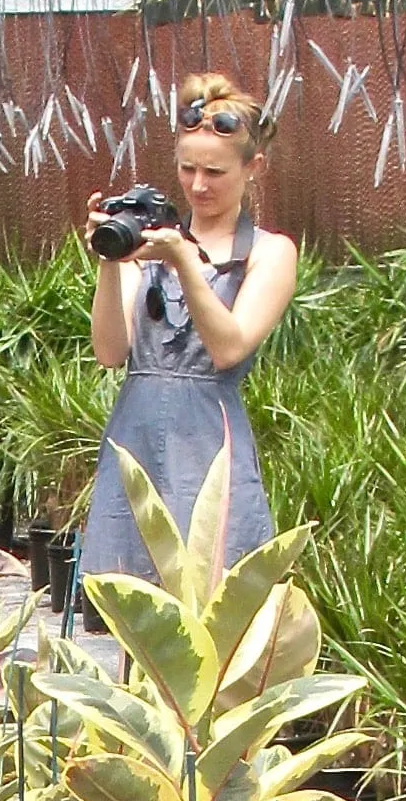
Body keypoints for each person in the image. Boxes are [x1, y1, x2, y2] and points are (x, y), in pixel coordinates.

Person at [81, 71, 299, 583]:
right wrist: (110, 261)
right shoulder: (149, 244)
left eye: (215, 172)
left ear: (254, 168)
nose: (198, 185)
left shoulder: (270, 252)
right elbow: (111, 352)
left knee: (213, 603)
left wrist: (182, 260)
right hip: (134, 438)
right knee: (130, 615)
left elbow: (230, 347)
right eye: (187, 169)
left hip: (209, 444)